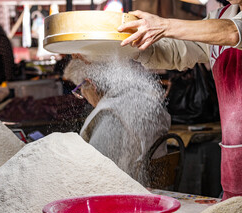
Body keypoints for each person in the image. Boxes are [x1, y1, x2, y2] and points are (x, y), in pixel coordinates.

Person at [118, 1, 242, 199]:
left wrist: (165, 26)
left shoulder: (225, 26)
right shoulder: (221, 17)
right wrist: (131, 45)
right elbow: (178, 50)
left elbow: (233, 32)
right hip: (234, 161)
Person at [64, 57, 170, 185]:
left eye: (79, 90)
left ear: (91, 84)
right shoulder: (143, 99)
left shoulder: (111, 113)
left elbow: (96, 169)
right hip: (157, 184)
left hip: (132, 190)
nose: (84, 97)